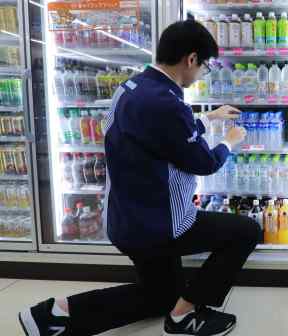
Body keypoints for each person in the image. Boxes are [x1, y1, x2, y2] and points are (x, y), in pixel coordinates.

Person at [18, 20, 260, 336]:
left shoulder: (132, 87)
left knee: (159, 296)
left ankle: (53, 314)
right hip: (161, 225)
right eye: (204, 67)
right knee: (246, 231)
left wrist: (206, 118)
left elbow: (159, 134)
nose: (202, 74)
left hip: (125, 218)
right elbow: (204, 162)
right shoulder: (167, 104)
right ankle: (185, 316)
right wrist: (229, 140)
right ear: (190, 59)